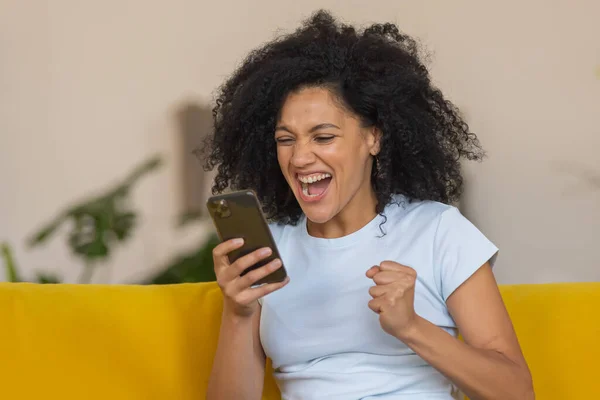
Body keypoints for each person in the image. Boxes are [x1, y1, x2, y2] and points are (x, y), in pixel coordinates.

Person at [204, 10, 533, 400]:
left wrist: (412, 327)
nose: (300, 158)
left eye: (323, 137)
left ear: (373, 138)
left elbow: (517, 393)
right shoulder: (268, 253)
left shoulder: (439, 230)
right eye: (286, 139)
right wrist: (239, 314)